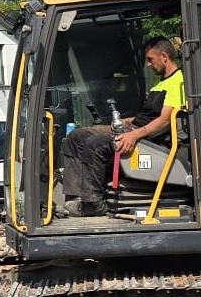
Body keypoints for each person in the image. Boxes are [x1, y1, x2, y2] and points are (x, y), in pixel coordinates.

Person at [58, 37, 184, 217]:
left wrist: (134, 135)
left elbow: (164, 119)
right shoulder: (161, 83)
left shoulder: (178, 82)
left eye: (150, 59)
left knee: (95, 143)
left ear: (164, 56)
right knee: (76, 136)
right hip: (134, 127)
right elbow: (147, 115)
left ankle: (93, 204)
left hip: (147, 136)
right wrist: (125, 121)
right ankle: (75, 197)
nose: (148, 65)